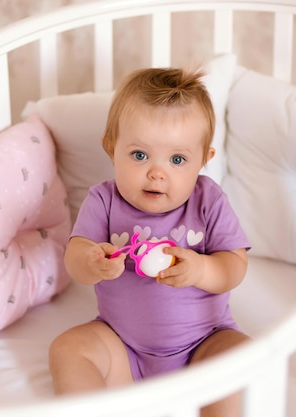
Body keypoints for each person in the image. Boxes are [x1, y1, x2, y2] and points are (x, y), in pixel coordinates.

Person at [48, 67, 250, 416]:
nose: (157, 172)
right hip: (123, 347)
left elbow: (235, 267)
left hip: (202, 345)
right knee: (67, 349)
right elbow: (75, 257)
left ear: (204, 160)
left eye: (177, 159)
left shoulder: (209, 200)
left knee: (239, 353)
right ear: (111, 148)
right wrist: (92, 260)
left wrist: (200, 269)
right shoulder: (104, 200)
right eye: (140, 155)